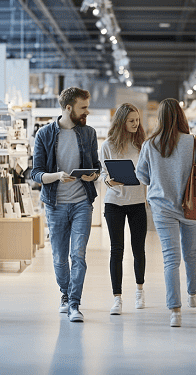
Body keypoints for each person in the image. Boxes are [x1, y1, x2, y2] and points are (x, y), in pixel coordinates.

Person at [136, 98, 196, 327]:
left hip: (162, 207)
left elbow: (142, 176)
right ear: (181, 116)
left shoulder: (150, 144)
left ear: (160, 118)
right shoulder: (193, 142)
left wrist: (160, 177)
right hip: (191, 205)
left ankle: (175, 312)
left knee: (171, 259)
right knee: (191, 253)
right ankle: (192, 295)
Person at [31, 87, 100, 322]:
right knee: (60, 258)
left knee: (78, 255)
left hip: (82, 202)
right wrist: (58, 176)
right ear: (68, 108)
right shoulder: (44, 135)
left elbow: (96, 166)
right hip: (55, 203)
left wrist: (93, 175)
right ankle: (64, 293)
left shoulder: (88, 133)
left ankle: (74, 303)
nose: (87, 112)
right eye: (83, 107)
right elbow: (36, 174)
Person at [99, 103, 148, 315]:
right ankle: (117, 298)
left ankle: (139, 290)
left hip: (137, 201)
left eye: (137, 120)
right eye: (131, 121)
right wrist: (109, 182)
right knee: (116, 249)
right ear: (121, 122)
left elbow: (149, 172)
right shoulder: (108, 145)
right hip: (114, 203)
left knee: (138, 249)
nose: (136, 124)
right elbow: (102, 173)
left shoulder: (143, 145)